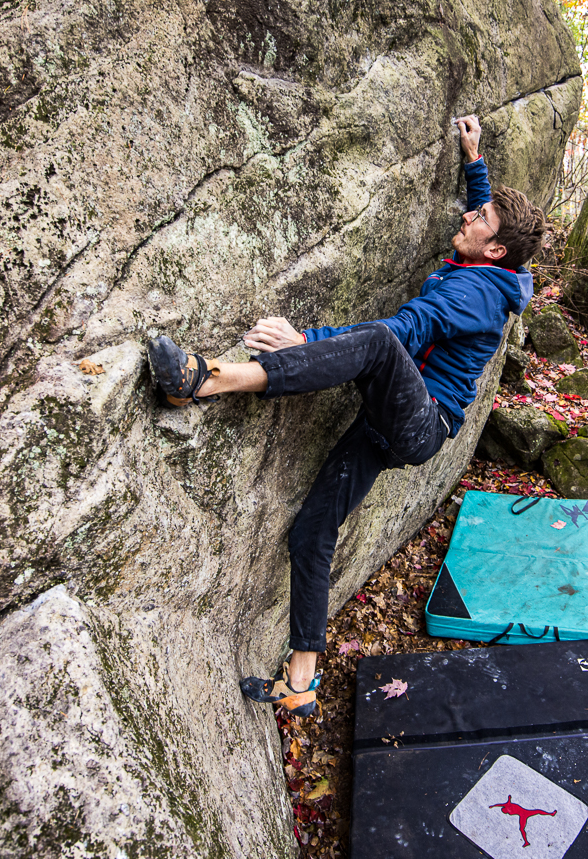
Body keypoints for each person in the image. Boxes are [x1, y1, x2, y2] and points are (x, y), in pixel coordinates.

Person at [146, 115, 543, 717]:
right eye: (475, 210)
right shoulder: (499, 264)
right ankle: (301, 681)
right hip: (395, 421)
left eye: (478, 219)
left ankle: (207, 380)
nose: (468, 214)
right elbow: (489, 217)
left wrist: (305, 340)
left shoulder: (474, 294)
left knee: (380, 345)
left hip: (419, 421)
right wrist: (474, 160)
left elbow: (401, 335)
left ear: (494, 250)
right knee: (312, 531)